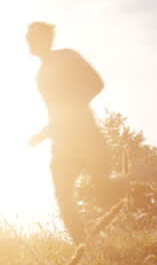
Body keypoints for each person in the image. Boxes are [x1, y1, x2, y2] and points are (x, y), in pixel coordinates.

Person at [26, 21, 111, 242]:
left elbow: (97, 83)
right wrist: (42, 135)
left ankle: (141, 176)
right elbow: (56, 114)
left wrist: (73, 107)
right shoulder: (40, 76)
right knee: (63, 195)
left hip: (86, 136)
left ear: (44, 38)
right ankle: (81, 248)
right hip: (62, 143)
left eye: (31, 36)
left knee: (104, 193)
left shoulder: (67, 56)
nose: (27, 40)